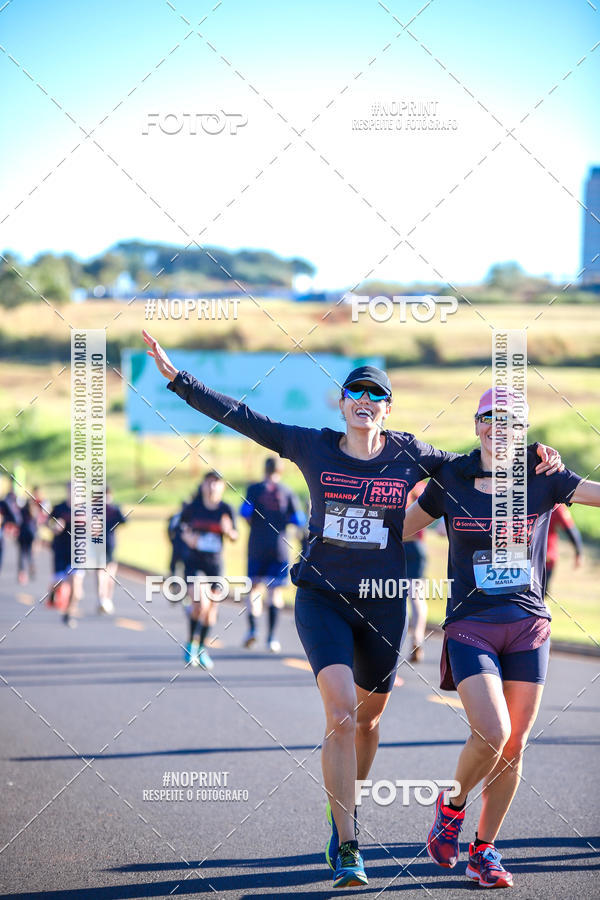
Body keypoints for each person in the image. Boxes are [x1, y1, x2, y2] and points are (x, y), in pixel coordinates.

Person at [142, 329, 561, 889]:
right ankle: (347, 842)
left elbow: (473, 463)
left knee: (368, 722)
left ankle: (350, 805)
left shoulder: (411, 454)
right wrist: (179, 382)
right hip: (321, 596)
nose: (365, 403)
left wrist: (532, 452)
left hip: (384, 604)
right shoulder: (311, 445)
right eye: (355, 394)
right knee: (340, 714)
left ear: (387, 408)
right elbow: (244, 417)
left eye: (375, 396)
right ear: (342, 404)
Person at [402, 387, 599, 889]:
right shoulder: (451, 478)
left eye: (509, 419)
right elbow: (401, 529)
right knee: (491, 731)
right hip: (471, 624)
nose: (497, 426)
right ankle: (451, 807)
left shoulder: (542, 476)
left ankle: (483, 851)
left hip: (529, 624)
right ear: (476, 425)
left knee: (514, 745)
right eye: (488, 417)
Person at [240, 457, 306, 652]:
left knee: (253, 589)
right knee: (274, 592)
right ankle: (271, 638)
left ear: (264, 469)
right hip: (280, 548)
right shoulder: (287, 492)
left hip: (256, 546)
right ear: (280, 471)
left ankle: (252, 630)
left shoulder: (254, 490)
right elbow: (299, 520)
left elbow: (244, 512)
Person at [179, 471, 238, 670]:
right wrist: (188, 538)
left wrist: (228, 530)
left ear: (222, 487)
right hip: (194, 562)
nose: (213, 487)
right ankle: (190, 645)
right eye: (209, 483)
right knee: (200, 604)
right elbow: (179, 528)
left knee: (211, 612)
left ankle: (202, 649)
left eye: (217, 483)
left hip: (215, 564)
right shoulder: (192, 508)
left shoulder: (226, 509)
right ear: (203, 486)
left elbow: (235, 536)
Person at [48, 485, 85, 627]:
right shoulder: (59, 508)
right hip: (61, 551)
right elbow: (47, 522)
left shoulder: (85, 509)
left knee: (76, 585)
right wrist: (55, 526)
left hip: (77, 552)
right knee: (59, 582)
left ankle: (69, 614)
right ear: (67, 491)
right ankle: (52, 593)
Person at [404, 481, 428, 663]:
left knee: (390, 594)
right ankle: (417, 638)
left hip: (398, 546)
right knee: (417, 596)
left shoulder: (392, 482)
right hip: (416, 546)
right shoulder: (420, 488)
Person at [97, 486, 127, 614]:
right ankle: (101, 599)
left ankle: (107, 599)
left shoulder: (114, 510)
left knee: (110, 574)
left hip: (110, 544)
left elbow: (124, 520)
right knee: (100, 573)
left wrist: (115, 508)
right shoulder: (96, 510)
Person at [545, 503, 583, 593]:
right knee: (540, 596)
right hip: (546, 558)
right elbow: (571, 531)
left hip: (541, 558)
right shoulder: (556, 507)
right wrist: (578, 553)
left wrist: (578, 553)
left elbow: (571, 531)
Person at [17, 498, 37, 584]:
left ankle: (22, 574)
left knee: (22, 554)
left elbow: (18, 521)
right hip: (29, 535)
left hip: (23, 535)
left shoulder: (22, 511)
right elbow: (36, 526)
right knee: (29, 554)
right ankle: (31, 568)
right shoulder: (33, 512)